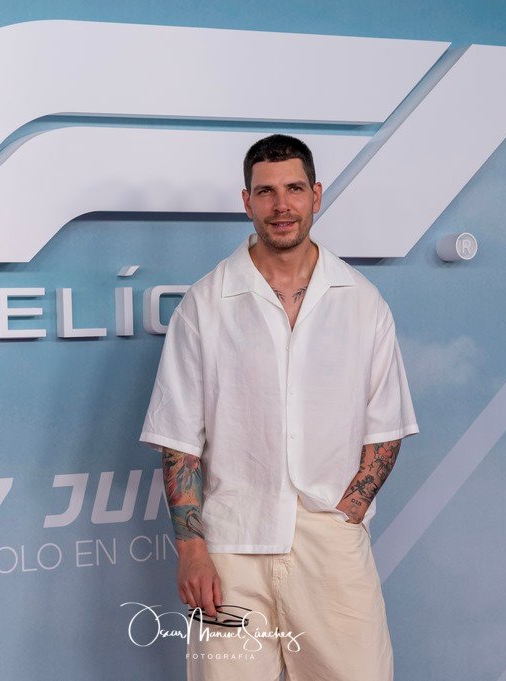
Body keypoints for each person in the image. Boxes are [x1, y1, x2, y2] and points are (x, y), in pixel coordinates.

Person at [139, 134, 419, 680]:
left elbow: (385, 425)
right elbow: (178, 440)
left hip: (329, 544)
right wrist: (192, 549)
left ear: (316, 194)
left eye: (294, 189)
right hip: (231, 547)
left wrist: (347, 514)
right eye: (265, 192)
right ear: (247, 201)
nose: (281, 205)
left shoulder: (362, 302)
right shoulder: (205, 303)